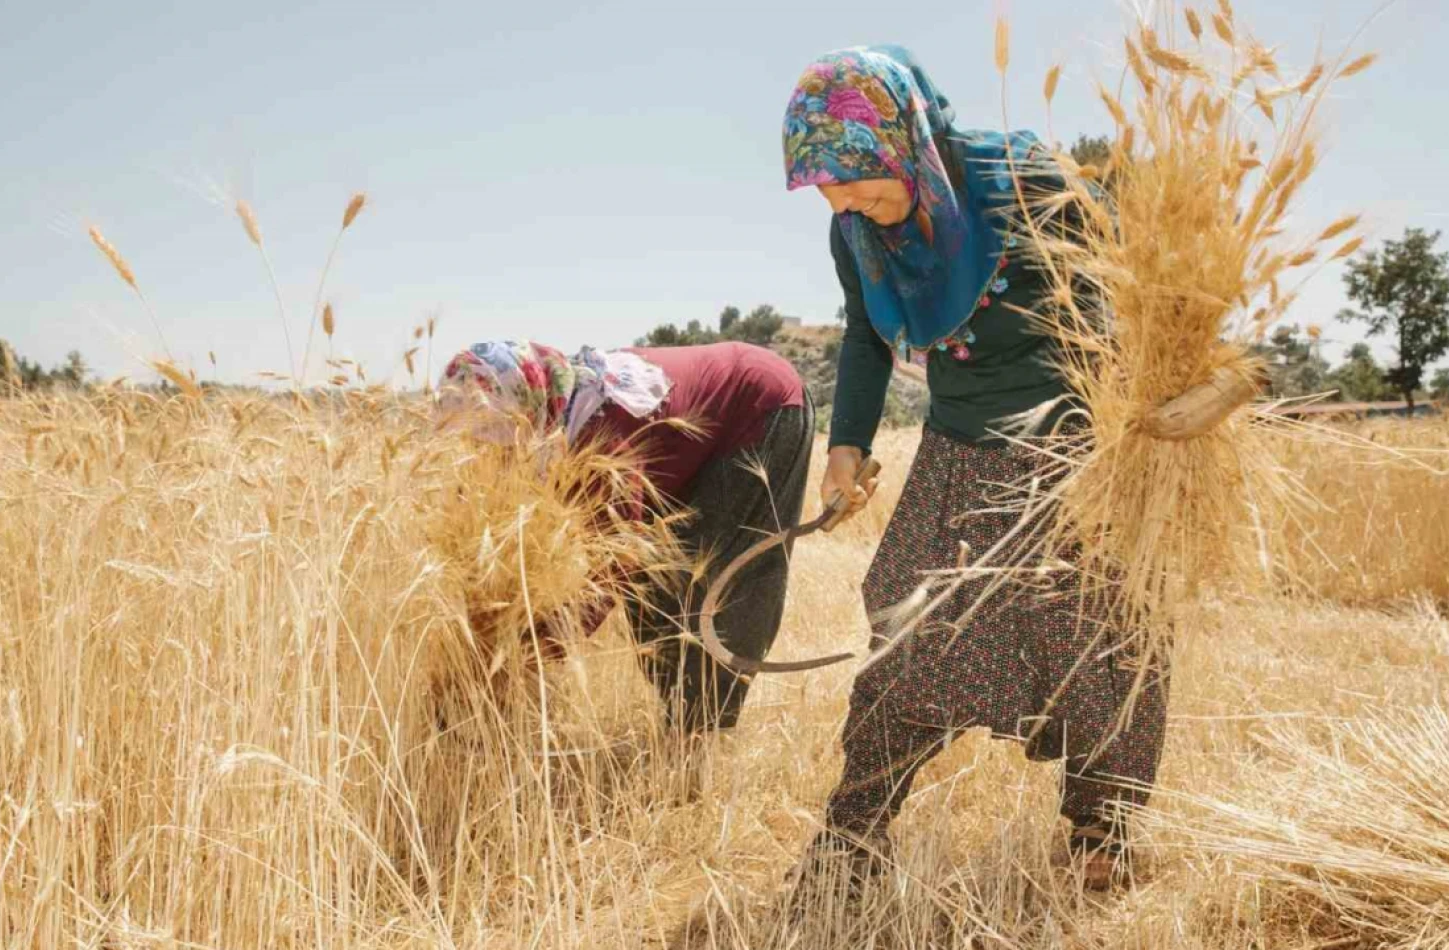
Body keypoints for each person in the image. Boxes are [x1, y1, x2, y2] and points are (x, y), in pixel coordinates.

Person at [781, 45, 1170, 891]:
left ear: (907, 137)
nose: (845, 201)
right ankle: (855, 837)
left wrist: (1151, 410)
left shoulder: (1023, 179)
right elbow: (862, 333)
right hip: (957, 447)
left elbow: (1133, 286)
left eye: (858, 177)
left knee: (1100, 633)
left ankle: (1104, 830)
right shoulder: (855, 233)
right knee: (905, 627)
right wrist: (847, 442)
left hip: (1074, 452)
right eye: (826, 188)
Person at [439, 339, 813, 734]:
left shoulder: (597, 435)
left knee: (709, 590)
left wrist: (533, 651)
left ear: (524, 409)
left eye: (490, 438)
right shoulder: (548, 414)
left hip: (758, 407)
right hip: (688, 442)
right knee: (655, 593)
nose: (484, 452)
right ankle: (683, 725)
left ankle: (699, 740)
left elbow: (616, 565)